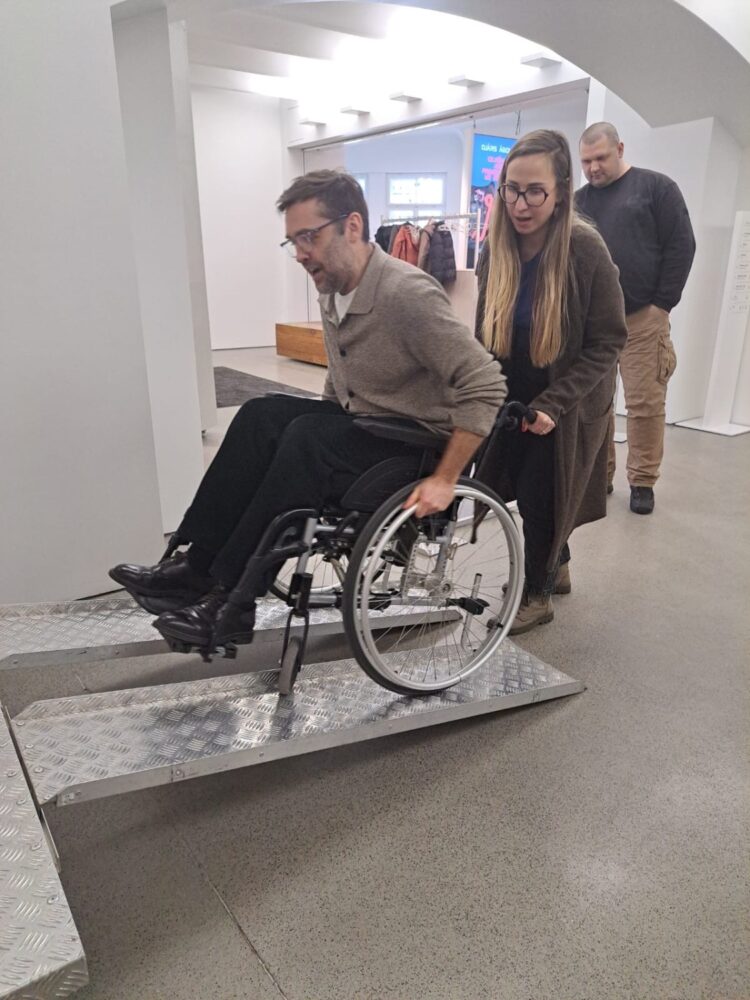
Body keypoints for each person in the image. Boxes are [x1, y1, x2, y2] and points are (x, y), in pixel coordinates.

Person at [110, 170, 506, 653]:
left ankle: (234, 600)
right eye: (292, 241)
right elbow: (339, 376)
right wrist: (310, 423)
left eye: (308, 237)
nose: (299, 253)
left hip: (416, 446)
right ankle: (195, 566)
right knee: (261, 416)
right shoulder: (332, 287)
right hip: (367, 427)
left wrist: (445, 479)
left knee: (307, 441)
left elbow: (486, 384)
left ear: (352, 226)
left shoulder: (407, 293)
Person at [475, 129, 627, 635]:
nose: (521, 205)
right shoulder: (495, 248)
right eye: (512, 190)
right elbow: (484, 333)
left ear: (561, 191)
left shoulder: (585, 249)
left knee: (543, 494)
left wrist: (555, 403)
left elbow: (609, 341)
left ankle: (536, 594)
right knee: (520, 485)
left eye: (535, 191)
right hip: (514, 390)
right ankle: (556, 564)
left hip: (567, 397)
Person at [575, 122, 696, 514]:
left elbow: (681, 245)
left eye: (600, 158)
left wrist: (663, 304)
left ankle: (643, 481)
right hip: (593, 323)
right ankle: (602, 474)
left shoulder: (656, 188)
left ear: (620, 149)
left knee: (644, 402)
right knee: (596, 404)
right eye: (586, 161)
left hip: (643, 317)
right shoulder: (578, 202)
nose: (593, 168)